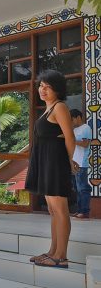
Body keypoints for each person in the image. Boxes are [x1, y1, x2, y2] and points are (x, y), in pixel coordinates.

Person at [26, 70, 78, 269]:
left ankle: (61, 256)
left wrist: (71, 160)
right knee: (52, 210)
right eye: (40, 85)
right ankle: (52, 251)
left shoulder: (60, 107)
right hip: (45, 162)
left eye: (47, 86)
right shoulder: (47, 109)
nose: (42, 89)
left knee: (60, 210)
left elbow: (69, 137)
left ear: (57, 89)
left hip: (56, 162)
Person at [70, 109, 92, 220]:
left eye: (72, 119)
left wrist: (70, 140)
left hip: (82, 163)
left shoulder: (86, 128)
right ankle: (79, 211)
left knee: (83, 188)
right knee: (77, 189)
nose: (71, 121)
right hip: (74, 164)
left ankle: (84, 212)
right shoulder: (74, 130)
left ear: (78, 117)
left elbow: (85, 144)